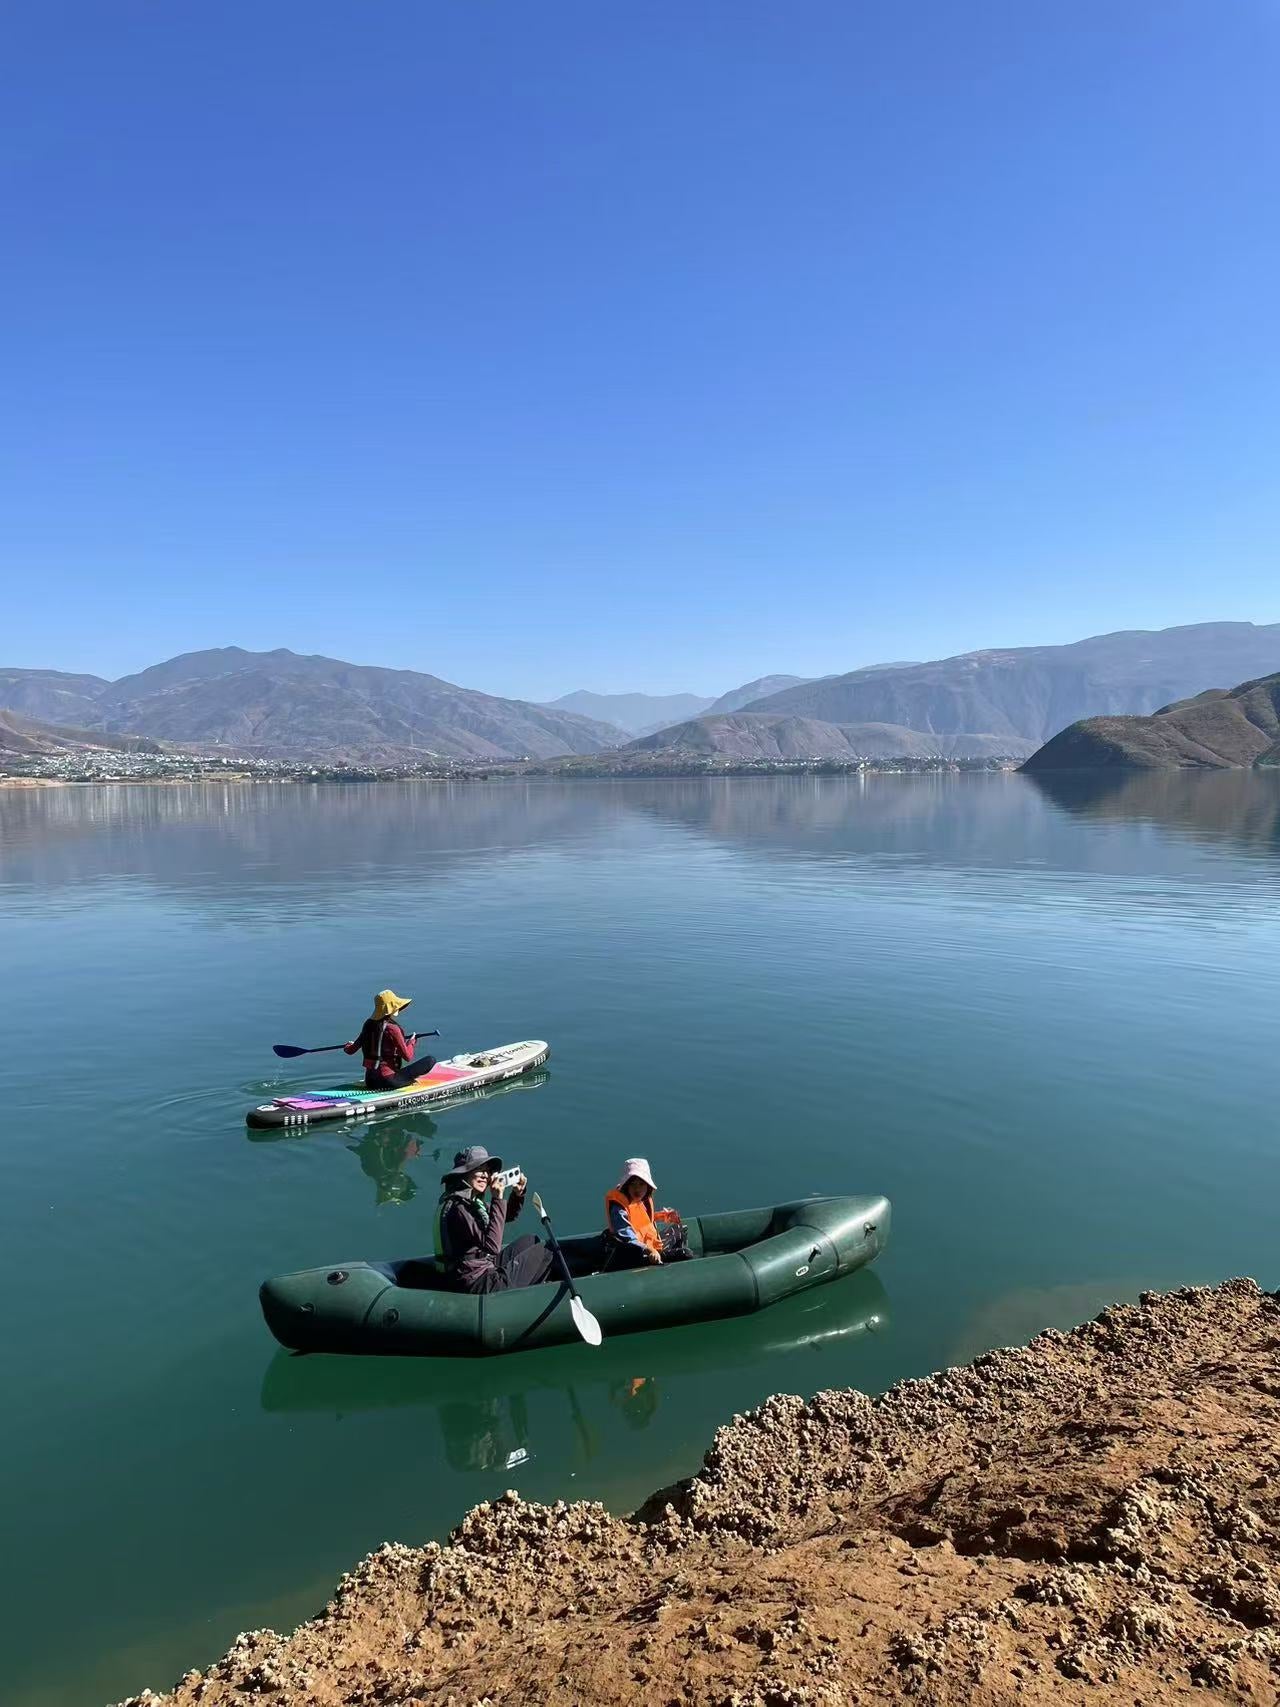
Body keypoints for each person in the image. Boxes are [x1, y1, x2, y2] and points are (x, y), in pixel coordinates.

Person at [433, 1146, 556, 1294]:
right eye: (479, 1169)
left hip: (482, 1266)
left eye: (488, 1171)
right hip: (475, 1281)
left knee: (531, 1240)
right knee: (547, 1250)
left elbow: (505, 1215)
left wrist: (517, 1194)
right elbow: (492, 1246)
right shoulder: (460, 1208)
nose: (486, 1175)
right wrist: (497, 1197)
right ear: (464, 1173)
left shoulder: (472, 1202)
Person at [603, 1158, 692, 1269]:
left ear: (647, 1186)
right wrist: (649, 1249)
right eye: (633, 1184)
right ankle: (666, 1268)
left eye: (641, 1184)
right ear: (626, 1185)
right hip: (635, 1253)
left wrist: (663, 1216)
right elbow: (625, 1235)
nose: (637, 1189)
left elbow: (642, 1221)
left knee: (680, 1228)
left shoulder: (641, 1200)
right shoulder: (618, 1206)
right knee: (685, 1253)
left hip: (650, 1246)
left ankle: (668, 1262)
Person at [344, 990, 436, 1090]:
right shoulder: (393, 1029)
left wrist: (348, 1045)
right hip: (388, 1080)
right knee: (430, 1060)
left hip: (370, 1081)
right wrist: (411, 1042)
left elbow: (350, 1050)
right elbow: (408, 1057)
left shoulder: (368, 1024)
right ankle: (407, 1081)